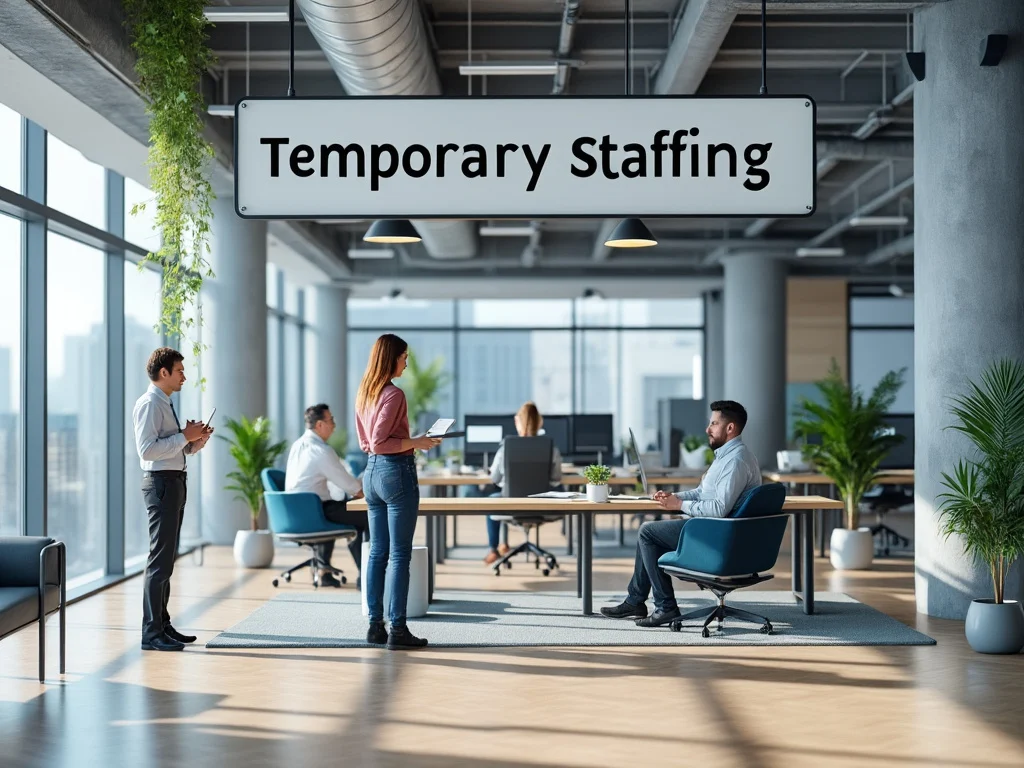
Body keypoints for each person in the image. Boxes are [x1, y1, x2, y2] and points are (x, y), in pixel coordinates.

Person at [600, 401, 761, 628]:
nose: (708, 429)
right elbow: (703, 493)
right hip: (713, 529)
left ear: (730, 428)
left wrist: (681, 505)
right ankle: (637, 601)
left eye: (714, 423)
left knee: (648, 533)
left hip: (716, 535)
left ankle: (664, 607)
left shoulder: (735, 461)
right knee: (651, 534)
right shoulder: (726, 457)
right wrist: (675, 497)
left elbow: (718, 509)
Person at [355, 334, 441, 650]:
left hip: (372, 473)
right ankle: (399, 630)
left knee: (378, 551)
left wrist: (412, 440)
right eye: (404, 356)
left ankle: (375, 626)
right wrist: (416, 442)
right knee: (400, 553)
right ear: (391, 358)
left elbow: (369, 443)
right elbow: (380, 440)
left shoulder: (365, 392)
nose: (407, 362)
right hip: (395, 472)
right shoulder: (394, 394)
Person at [133, 347, 213, 652]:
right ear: (163, 372)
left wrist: (194, 441)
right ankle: (151, 633)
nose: (184, 376)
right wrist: (184, 436)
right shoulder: (149, 403)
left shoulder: (163, 402)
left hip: (174, 481)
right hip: (161, 485)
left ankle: (163, 625)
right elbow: (147, 451)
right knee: (159, 560)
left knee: (167, 560)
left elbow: (171, 449)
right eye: (179, 370)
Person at [285, 404, 366, 588]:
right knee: (365, 515)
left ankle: (324, 572)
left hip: (294, 513)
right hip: (314, 513)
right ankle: (367, 576)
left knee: (334, 504)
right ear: (320, 425)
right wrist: (366, 498)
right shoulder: (321, 451)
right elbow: (351, 487)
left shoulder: (297, 445)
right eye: (332, 421)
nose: (334, 425)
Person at [481, 401, 563, 565]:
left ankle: (494, 549)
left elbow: (495, 479)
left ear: (517, 421)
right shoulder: (551, 448)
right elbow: (556, 479)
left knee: (493, 499)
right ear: (540, 422)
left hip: (512, 505)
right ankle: (501, 546)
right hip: (543, 507)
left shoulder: (506, 448)